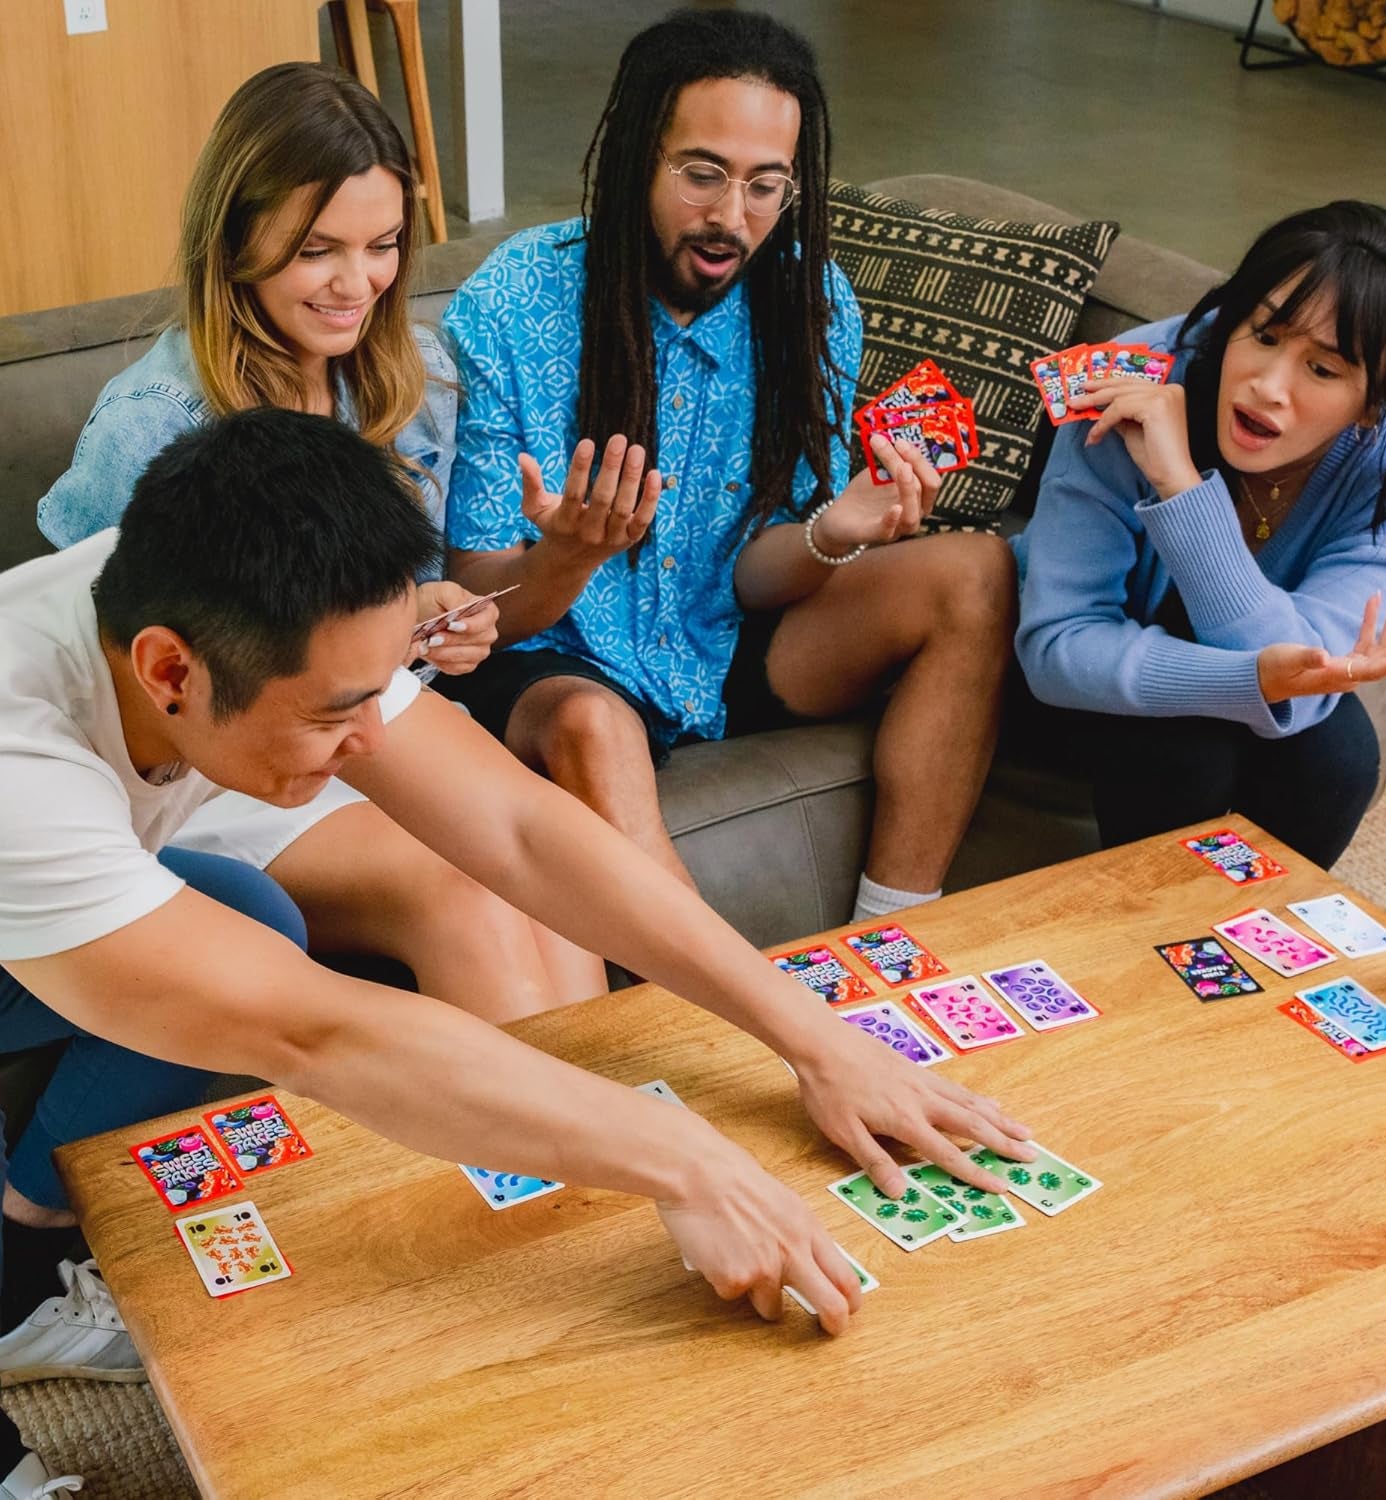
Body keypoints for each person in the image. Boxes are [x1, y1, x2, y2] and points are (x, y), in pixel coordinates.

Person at [0, 412, 1036, 1483]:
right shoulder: (19, 755)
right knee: (233, 953)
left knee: (237, 907)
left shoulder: (236, 603)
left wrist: (815, 1037)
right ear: (170, 672)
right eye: (334, 716)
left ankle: (27, 1209)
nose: (373, 742)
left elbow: (522, 832)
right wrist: (688, 1161)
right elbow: (318, 1031)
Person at [35, 62, 596, 1017]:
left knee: (554, 885)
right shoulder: (150, 422)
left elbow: (403, 605)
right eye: (317, 250)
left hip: (376, 728)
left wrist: (434, 616)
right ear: (237, 238)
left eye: (382, 246)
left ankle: (634, 1132)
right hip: (224, 771)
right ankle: (565, 1159)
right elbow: (109, 684)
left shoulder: (412, 373)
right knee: (461, 895)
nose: (358, 284)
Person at [439, 9, 1015, 926]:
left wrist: (834, 531)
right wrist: (569, 557)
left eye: (764, 185)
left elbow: (754, 570)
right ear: (637, 156)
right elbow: (472, 602)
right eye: (701, 174)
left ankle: (893, 938)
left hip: (722, 636)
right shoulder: (513, 300)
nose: (729, 218)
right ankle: (723, 1016)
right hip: (554, 654)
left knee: (976, 572)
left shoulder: (812, 300)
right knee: (595, 726)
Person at [1012, 200, 1386, 868]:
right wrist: (1246, 678)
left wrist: (1185, 491)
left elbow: (1306, 674)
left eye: (1323, 369)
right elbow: (1058, 647)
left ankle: (1243, 953)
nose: (1268, 387)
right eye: (1264, 334)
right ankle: (1143, 948)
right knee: (1185, 750)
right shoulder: (1129, 377)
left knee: (1337, 758)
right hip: (1082, 684)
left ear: (1373, 402)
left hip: (1264, 682)